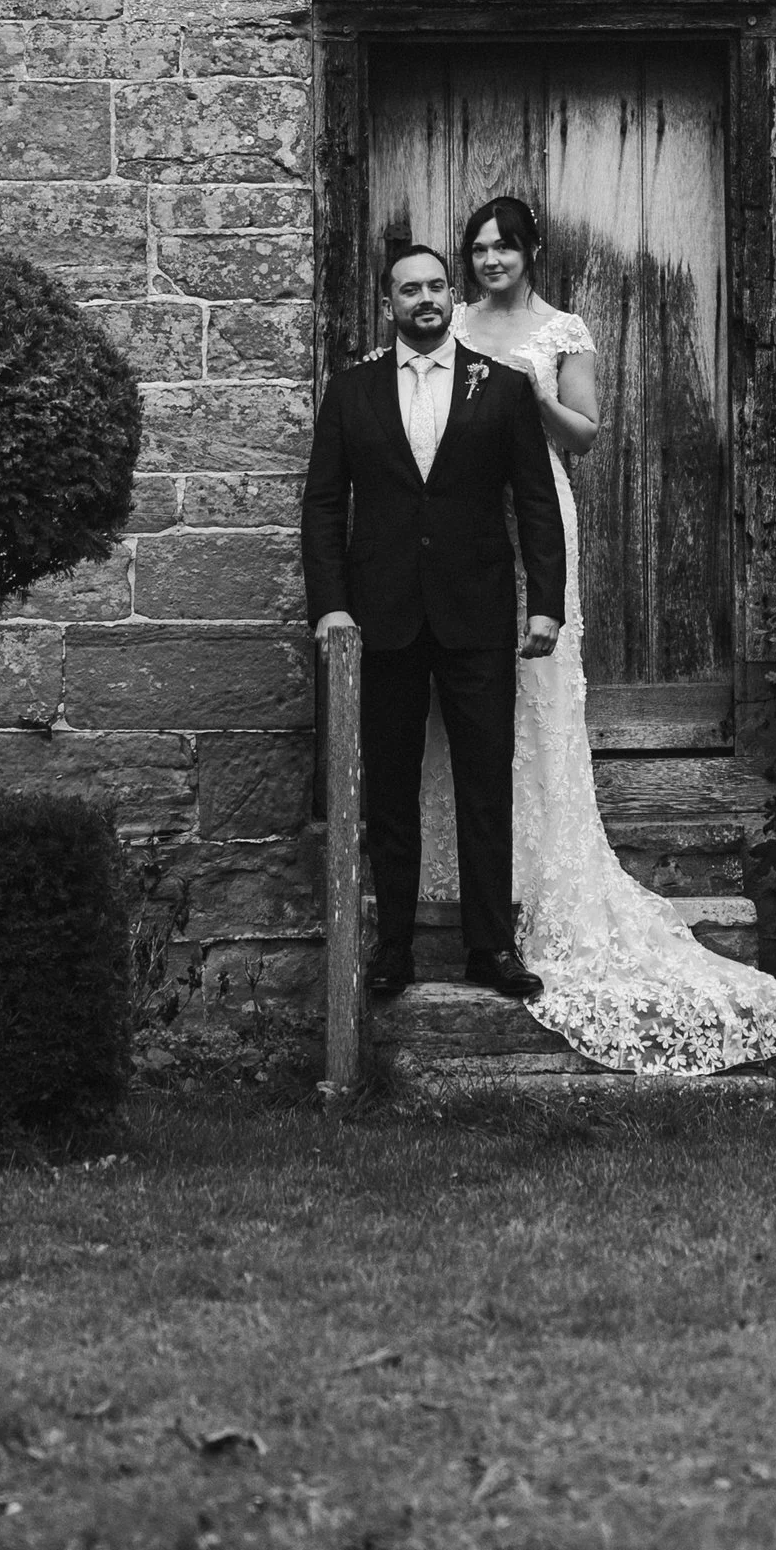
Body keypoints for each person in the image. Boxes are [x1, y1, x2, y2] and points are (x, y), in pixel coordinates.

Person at [454, 192, 776, 1077]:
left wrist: (530, 394)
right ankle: (451, 865)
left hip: (534, 518)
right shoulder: (447, 320)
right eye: (478, 248)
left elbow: (584, 434)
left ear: (532, 252)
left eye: (503, 248)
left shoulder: (561, 331)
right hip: (458, 523)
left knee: (532, 693)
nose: (489, 260)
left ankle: (539, 864)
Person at [299, 235, 566, 1005]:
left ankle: (491, 947)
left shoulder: (506, 388)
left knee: (485, 784)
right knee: (388, 787)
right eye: (409, 289)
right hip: (379, 620)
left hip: (476, 615)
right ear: (389, 302)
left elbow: (536, 503)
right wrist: (331, 606)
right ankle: (393, 950)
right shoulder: (351, 392)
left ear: (452, 298)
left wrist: (544, 601)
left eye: (436, 287)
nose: (425, 299)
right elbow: (323, 507)